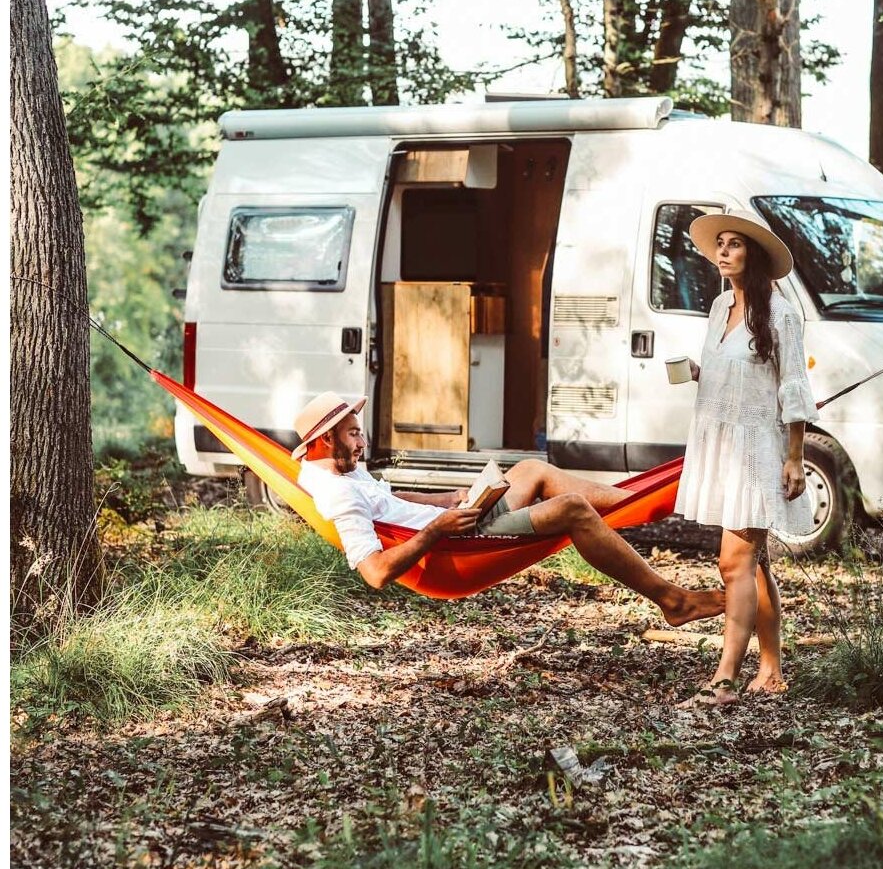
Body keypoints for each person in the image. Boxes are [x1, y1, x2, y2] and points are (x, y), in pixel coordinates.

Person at [291, 391, 725, 628]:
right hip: (460, 545)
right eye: (354, 434)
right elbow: (375, 574)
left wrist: (447, 500)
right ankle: (674, 601)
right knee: (572, 508)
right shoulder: (338, 495)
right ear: (326, 440)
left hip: (459, 521)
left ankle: (645, 502)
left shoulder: (343, 471)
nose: (363, 442)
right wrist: (440, 527)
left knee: (532, 469)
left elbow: (390, 502)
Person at [674, 209, 817, 708]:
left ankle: (724, 682)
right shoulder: (720, 307)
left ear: (752, 255)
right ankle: (771, 670)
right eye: (721, 243)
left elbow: (794, 385)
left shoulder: (780, 314)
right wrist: (702, 372)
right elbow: (736, 370)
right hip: (721, 449)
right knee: (754, 566)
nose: (723, 251)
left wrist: (795, 457)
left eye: (734, 244)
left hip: (757, 451)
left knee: (733, 561)